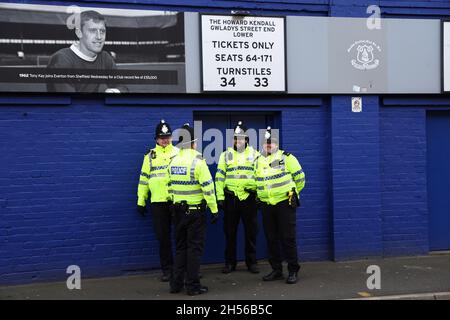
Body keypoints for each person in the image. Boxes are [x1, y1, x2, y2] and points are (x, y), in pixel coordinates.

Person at [168, 123, 218, 296]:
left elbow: (169, 186)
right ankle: (192, 286)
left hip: (177, 211)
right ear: (193, 142)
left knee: (180, 248)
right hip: (195, 212)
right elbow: (208, 187)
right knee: (194, 250)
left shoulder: (172, 160)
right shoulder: (198, 160)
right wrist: (214, 208)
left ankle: (176, 285)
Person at [254, 126, 305, 284]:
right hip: (266, 205)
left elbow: (300, 178)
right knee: (271, 239)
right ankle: (276, 270)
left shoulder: (287, 158)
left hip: (284, 203)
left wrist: (292, 193)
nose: (268, 145)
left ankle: (293, 270)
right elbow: (257, 181)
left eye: (271, 143)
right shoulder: (258, 161)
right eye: (266, 143)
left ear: (276, 144)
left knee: (287, 238)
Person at [137, 120, 179, 282]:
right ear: (156, 139)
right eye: (162, 137)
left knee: (181, 237)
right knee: (163, 238)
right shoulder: (149, 156)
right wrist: (141, 201)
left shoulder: (178, 153)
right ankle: (168, 270)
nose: (165, 140)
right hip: (158, 203)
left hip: (177, 201)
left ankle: (184, 269)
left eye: (167, 137)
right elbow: (143, 180)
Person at [215, 121, 259, 274]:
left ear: (246, 139)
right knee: (230, 233)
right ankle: (230, 263)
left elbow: (261, 176)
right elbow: (219, 177)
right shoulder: (225, 155)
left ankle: (251, 263)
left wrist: (258, 194)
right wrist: (220, 197)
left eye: (241, 138)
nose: (238, 141)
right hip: (231, 199)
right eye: (235, 138)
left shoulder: (255, 155)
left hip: (249, 198)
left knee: (251, 232)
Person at [46, 10, 121, 93]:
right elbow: (68, 102)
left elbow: (122, 85)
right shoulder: (62, 59)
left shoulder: (105, 57)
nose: (99, 37)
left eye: (102, 31)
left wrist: (114, 91)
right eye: (92, 31)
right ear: (79, 33)